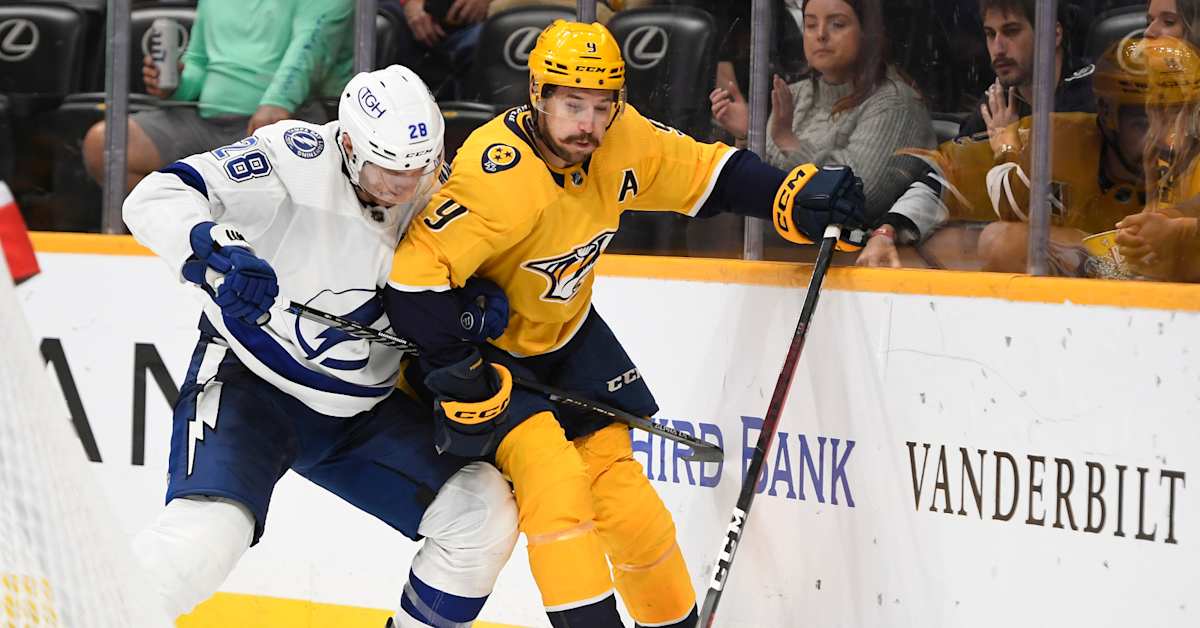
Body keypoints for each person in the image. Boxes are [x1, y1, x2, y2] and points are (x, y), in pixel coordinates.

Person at [384, 19, 866, 628]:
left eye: (601, 106)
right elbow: (412, 281)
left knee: (627, 504)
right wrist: (459, 370)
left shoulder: (621, 138)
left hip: (567, 338)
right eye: (572, 105)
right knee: (556, 488)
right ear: (537, 96)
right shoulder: (495, 173)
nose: (588, 124)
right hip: (494, 355)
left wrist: (790, 197)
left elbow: (709, 173)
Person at [122, 66, 518, 627]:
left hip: (361, 413)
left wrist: (473, 306)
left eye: (418, 167)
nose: (404, 186)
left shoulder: (436, 187)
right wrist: (223, 255)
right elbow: (156, 195)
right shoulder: (293, 158)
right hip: (252, 385)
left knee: (481, 512)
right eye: (389, 169)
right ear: (349, 144)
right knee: (204, 539)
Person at [857, 37, 1149, 274]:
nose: (1164, 137)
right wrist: (886, 232)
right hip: (1078, 309)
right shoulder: (1058, 137)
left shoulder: (1176, 163)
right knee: (998, 241)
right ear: (1107, 115)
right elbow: (947, 175)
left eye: (1171, 118)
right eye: (1144, 123)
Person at [84, 0, 355, 193]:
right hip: (204, 122)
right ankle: (191, 234)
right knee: (105, 145)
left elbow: (309, 54)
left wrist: (277, 103)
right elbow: (199, 61)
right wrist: (176, 84)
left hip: (288, 121)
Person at [711, 0, 935, 218]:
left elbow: (860, 198)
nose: (820, 35)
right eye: (810, 25)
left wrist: (789, 143)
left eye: (837, 24)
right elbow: (757, 192)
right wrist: (749, 134)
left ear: (868, 33)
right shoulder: (795, 94)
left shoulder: (896, 104)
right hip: (778, 238)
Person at [1117, 36, 1200, 281]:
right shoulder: (1163, 152)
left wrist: (1181, 234)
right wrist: (1160, 221)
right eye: (1156, 103)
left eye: (1175, 106)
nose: (1150, 32)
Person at [960, 0, 1094, 139]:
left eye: (1011, 31)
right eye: (991, 34)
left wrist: (1007, 144)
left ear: (1053, 34)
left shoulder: (1092, 92)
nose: (997, 49)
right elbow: (956, 149)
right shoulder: (999, 101)